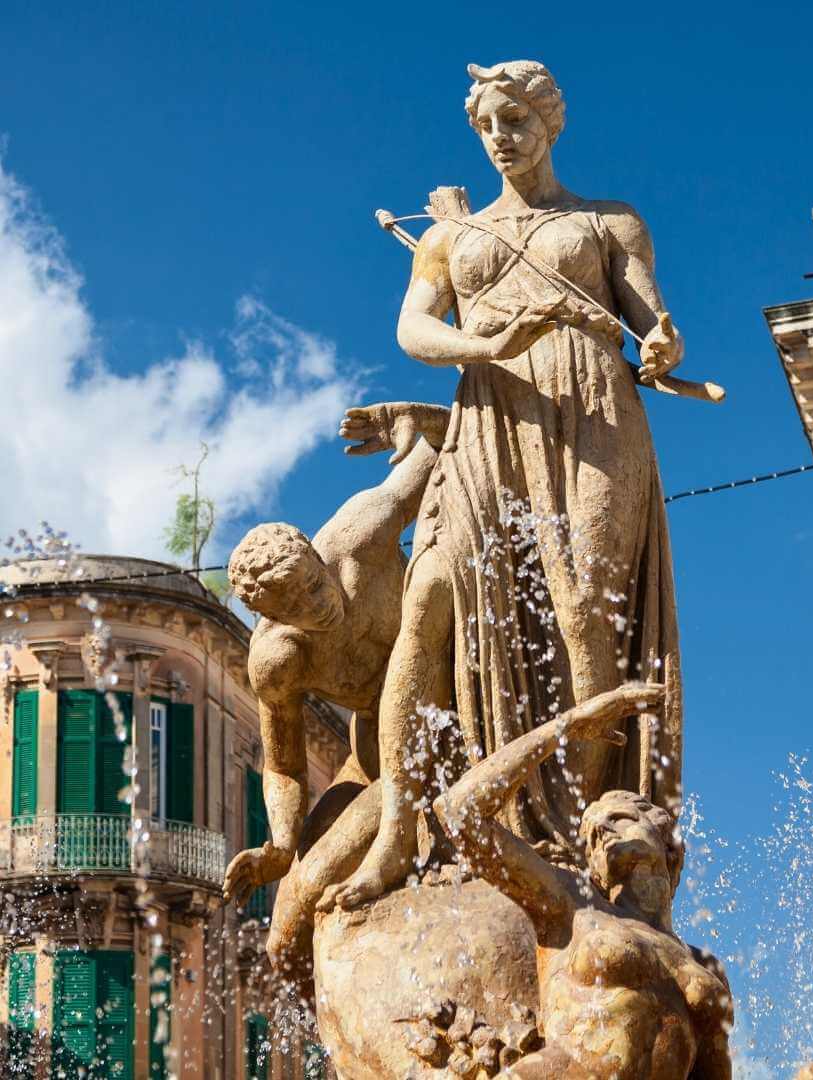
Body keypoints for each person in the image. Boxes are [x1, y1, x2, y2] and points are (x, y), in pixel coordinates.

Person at [321, 59, 685, 912]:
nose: (500, 137)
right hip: (492, 417)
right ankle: (399, 831)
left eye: (514, 121)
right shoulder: (454, 238)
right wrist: (483, 348)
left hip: (594, 413)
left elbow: (651, 319)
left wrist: (663, 344)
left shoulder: (608, 222)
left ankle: (589, 827)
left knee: (587, 612)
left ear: (549, 124)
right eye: (487, 125)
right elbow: (414, 326)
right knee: (433, 598)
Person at [223, 402, 449, 964]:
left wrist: (413, 419)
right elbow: (284, 765)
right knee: (294, 912)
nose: (314, 607)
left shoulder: (362, 531)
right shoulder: (278, 661)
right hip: (377, 750)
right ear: (268, 617)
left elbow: (449, 445)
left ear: (312, 552)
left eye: (311, 585)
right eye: (293, 606)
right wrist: (277, 847)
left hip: (463, 699)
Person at [433, 682, 732, 1079]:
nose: (602, 833)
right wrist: (568, 725)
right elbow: (458, 812)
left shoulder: (705, 965)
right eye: (591, 836)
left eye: (619, 819)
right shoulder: (574, 906)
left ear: (667, 843)